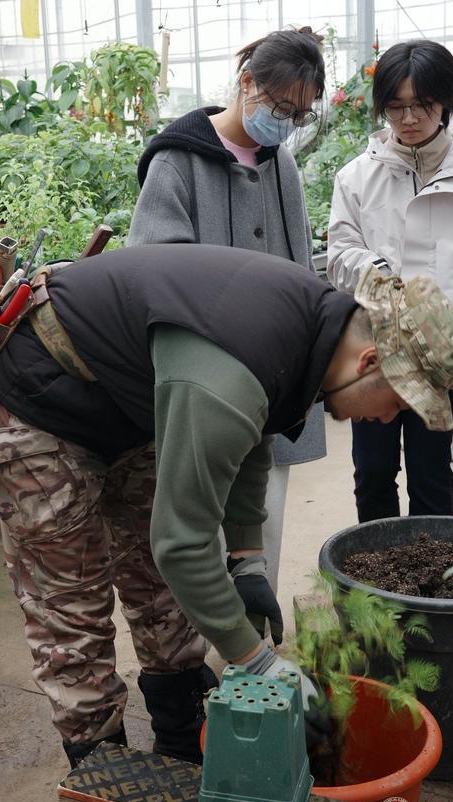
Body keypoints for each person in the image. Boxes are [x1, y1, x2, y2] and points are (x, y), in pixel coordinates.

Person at [0, 243, 453, 802]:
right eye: (397, 404)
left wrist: (247, 559)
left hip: (130, 398)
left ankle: (179, 745)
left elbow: (252, 439)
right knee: (72, 607)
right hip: (39, 393)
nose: (386, 419)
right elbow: (181, 542)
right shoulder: (232, 368)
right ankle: (106, 786)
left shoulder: (311, 330)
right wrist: (255, 659)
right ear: (369, 360)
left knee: (163, 592)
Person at [127, 26, 326, 597]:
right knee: (199, 524)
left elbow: (300, 266)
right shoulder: (178, 160)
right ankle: (221, 648)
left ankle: (251, 631)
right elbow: (154, 272)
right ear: (246, 83)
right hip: (208, 387)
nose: (286, 123)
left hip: (277, 382)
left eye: (300, 115)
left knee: (263, 516)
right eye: (281, 106)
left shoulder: (280, 164)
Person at [327, 39, 453, 523]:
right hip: (375, 347)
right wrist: (380, 273)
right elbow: (340, 253)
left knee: (431, 469)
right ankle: (373, 576)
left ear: (446, 103)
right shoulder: (356, 177)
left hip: (444, 350)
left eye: (422, 105)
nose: (409, 118)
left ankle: (433, 582)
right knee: (371, 469)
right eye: (395, 107)